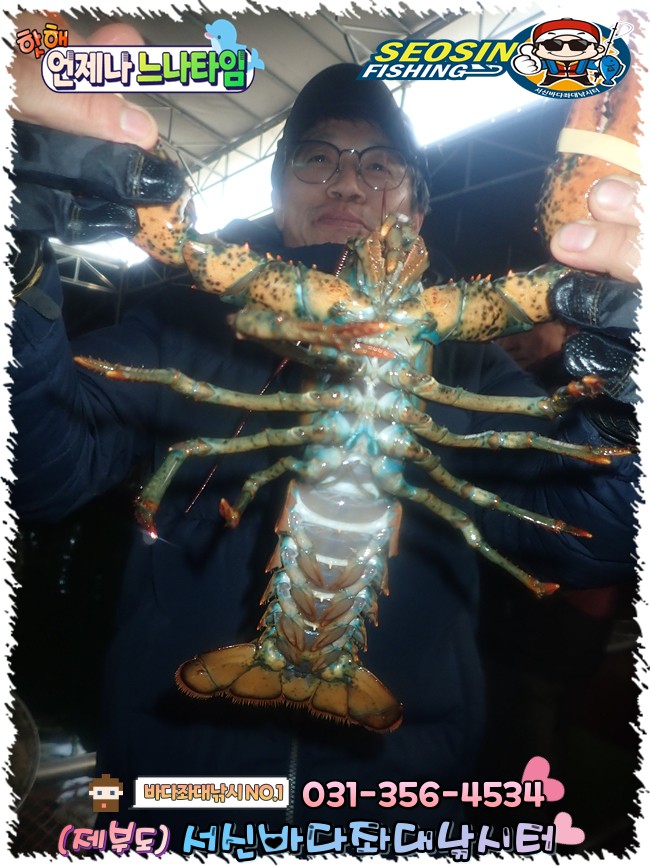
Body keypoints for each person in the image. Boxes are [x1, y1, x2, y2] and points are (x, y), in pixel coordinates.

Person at [9, 14, 641, 855]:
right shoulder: (183, 326)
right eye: (317, 158)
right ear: (278, 194)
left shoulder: (473, 362)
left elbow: (597, 534)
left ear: (416, 206)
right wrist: (16, 279)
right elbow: (36, 468)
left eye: (380, 164)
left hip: (397, 804)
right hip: (175, 795)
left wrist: (628, 402)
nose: (347, 181)